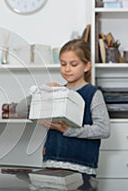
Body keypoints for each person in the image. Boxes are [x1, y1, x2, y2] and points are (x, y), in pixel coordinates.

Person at [41, 39, 110, 177]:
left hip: (80, 166)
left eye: (73, 64)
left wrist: (68, 130)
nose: (67, 69)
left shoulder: (93, 94)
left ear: (86, 66)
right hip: (52, 162)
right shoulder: (57, 91)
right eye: (63, 64)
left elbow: (103, 129)